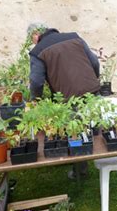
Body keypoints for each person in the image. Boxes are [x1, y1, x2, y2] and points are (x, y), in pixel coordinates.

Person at [27, 22, 101, 180]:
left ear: (37, 36)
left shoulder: (38, 51)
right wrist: (92, 80)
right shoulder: (74, 37)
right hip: (92, 90)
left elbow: (36, 81)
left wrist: (36, 100)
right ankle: (104, 159)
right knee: (95, 126)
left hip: (68, 97)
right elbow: (94, 62)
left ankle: (80, 172)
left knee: (76, 132)